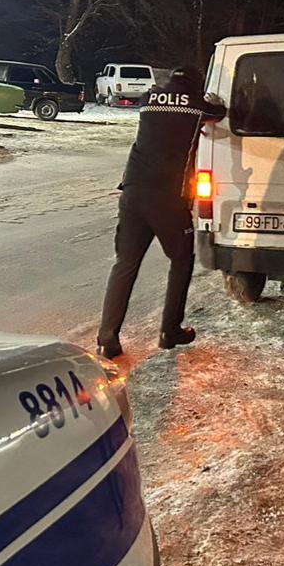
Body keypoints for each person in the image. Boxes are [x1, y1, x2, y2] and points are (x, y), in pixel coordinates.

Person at [97, 67, 225, 360]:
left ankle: (107, 339)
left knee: (125, 264)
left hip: (132, 190)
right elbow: (219, 112)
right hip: (168, 197)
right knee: (182, 260)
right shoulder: (196, 104)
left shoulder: (149, 97)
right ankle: (170, 331)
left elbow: (167, 118)